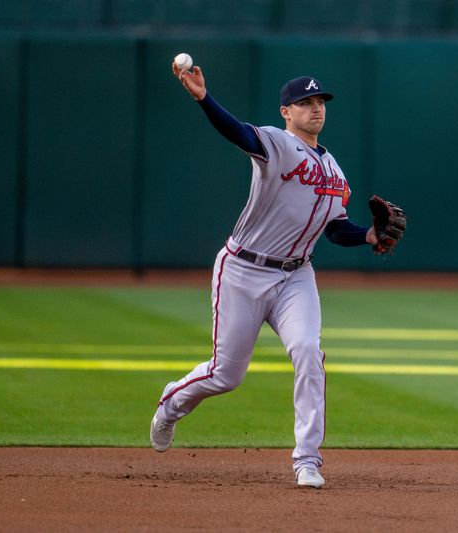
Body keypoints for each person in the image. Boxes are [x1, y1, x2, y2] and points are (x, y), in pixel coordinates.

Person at [149, 62, 381, 489]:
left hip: (296, 277)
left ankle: (307, 460)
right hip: (243, 270)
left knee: (309, 351)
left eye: (320, 102)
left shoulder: (335, 173)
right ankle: (171, 404)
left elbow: (335, 229)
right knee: (226, 375)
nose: (315, 108)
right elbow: (236, 131)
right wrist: (203, 98)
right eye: (305, 102)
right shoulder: (275, 144)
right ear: (285, 112)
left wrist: (368, 235)